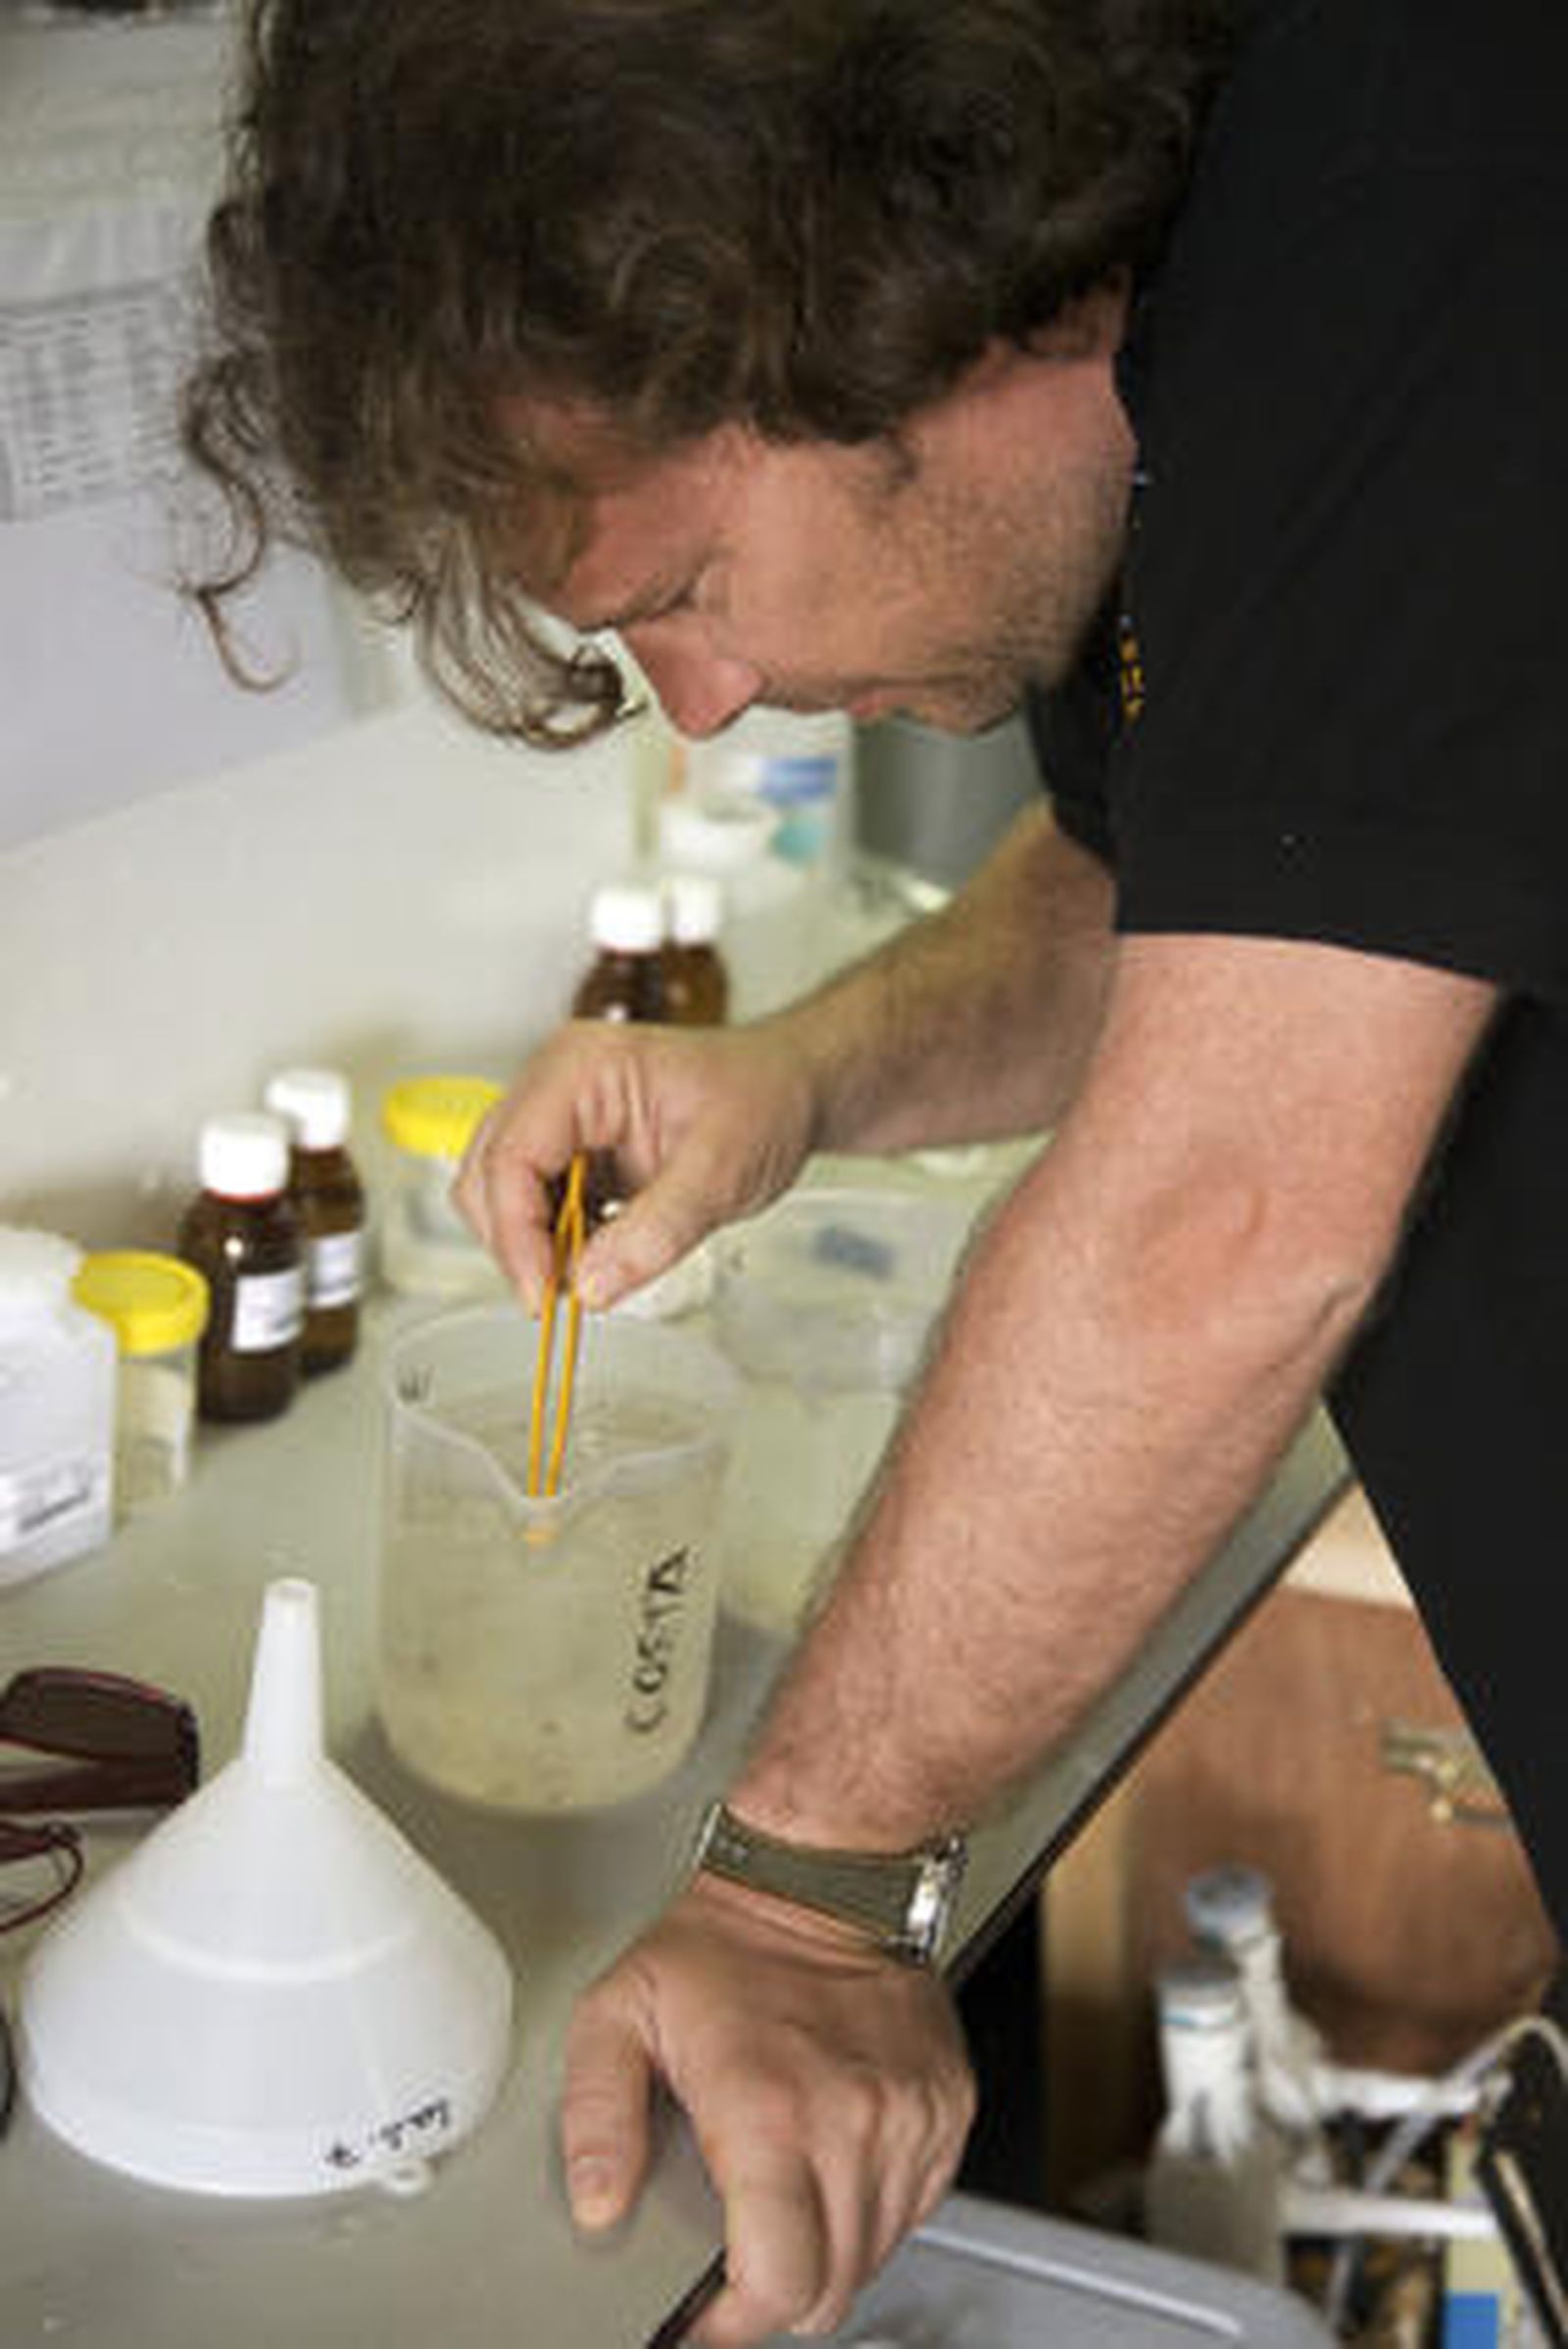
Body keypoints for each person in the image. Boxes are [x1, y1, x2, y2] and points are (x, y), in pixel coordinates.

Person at [182, 0, 1568, 2337]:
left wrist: (793, 1895)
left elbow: (1228, 1213)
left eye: (692, 584)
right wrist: (797, 1078)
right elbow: (1209, 865)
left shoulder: (1428, 185)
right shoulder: (1230, 347)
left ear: (903, 293)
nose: (699, 699)